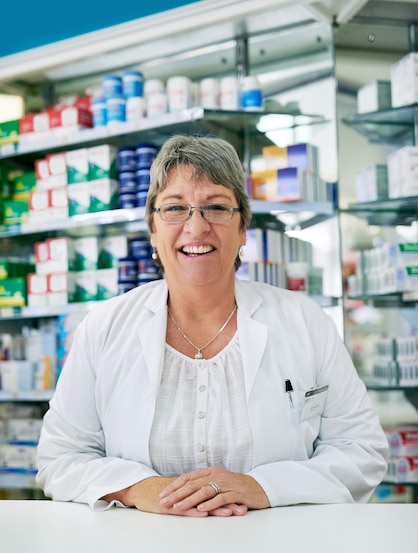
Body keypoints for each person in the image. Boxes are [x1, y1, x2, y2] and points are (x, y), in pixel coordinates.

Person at [36, 134, 389, 516]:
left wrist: (264, 487)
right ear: (152, 230)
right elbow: (60, 457)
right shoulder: (103, 327)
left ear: (242, 230)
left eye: (216, 207)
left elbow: (361, 451)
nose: (196, 226)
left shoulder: (305, 321)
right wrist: (138, 488)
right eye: (175, 208)